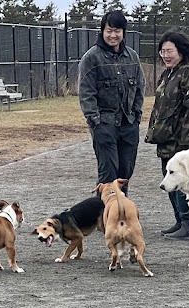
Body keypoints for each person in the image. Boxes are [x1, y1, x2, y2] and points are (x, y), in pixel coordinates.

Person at [145, 30, 189, 240]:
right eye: (162, 51)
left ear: (180, 50)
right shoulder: (168, 73)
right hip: (167, 140)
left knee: (182, 181)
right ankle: (180, 220)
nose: (165, 55)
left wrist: (186, 144)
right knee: (169, 180)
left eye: (169, 51)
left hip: (184, 141)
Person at [78, 11, 145, 188]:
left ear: (123, 32)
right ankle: (105, 214)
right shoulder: (91, 58)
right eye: (109, 30)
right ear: (102, 31)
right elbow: (86, 93)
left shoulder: (132, 57)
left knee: (125, 174)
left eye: (117, 31)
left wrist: (136, 116)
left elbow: (139, 88)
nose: (113, 35)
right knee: (108, 176)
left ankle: (122, 213)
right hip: (104, 125)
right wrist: (96, 123)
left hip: (129, 124)